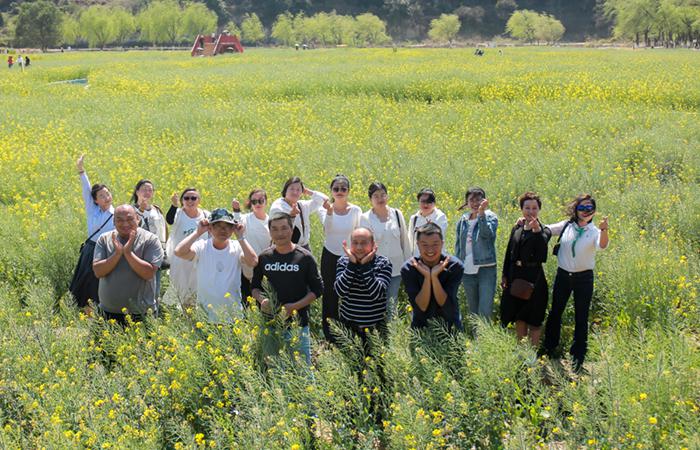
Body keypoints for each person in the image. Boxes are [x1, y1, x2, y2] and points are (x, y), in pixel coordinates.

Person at [542, 194, 610, 373]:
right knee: (555, 312)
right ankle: (549, 348)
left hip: (584, 278)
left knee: (582, 317)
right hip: (563, 275)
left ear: (594, 211)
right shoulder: (567, 225)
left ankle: (578, 357)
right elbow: (546, 229)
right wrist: (528, 222)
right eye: (582, 208)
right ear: (576, 210)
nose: (586, 211)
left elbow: (602, 246)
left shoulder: (594, 231)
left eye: (590, 208)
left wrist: (604, 230)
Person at [251, 213, 323, 366]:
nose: (280, 233)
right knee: (275, 368)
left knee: (303, 369)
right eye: (275, 229)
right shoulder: (264, 257)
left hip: (298, 325)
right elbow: (254, 287)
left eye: (284, 228)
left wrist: (294, 307)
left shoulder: (304, 257)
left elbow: (317, 290)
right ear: (270, 232)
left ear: (292, 230)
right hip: (270, 325)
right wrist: (262, 300)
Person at [175, 208, 258, 323]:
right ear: (210, 228)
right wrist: (197, 232)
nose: (223, 230)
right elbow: (179, 252)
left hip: (233, 317)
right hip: (205, 317)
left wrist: (241, 237)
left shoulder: (237, 247)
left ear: (233, 229)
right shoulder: (202, 246)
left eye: (227, 226)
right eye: (218, 226)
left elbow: (253, 261)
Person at [93, 205, 164, 325]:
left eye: (130, 219)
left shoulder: (150, 240)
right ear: (113, 221)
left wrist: (128, 253)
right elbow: (98, 271)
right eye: (119, 220)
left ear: (138, 219)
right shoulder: (104, 239)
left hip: (141, 313)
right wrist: (117, 254)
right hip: (107, 311)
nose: (125, 223)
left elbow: (149, 273)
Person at [500, 192, 552, 347]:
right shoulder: (517, 228)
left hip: (534, 279)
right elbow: (509, 253)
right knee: (519, 317)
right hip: (516, 276)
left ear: (539, 210)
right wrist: (505, 274)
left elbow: (542, 255)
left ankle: (532, 355)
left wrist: (536, 232)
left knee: (535, 319)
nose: (531, 211)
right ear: (522, 209)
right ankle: (522, 352)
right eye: (527, 208)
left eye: (534, 208)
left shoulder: (544, 231)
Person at [69, 154, 115, 314]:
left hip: (107, 251)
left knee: (101, 283)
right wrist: (81, 170)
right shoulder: (92, 211)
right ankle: (85, 313)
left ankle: (100, 313)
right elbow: (86, 189)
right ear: (95, 200)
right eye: (101, 196)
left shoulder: (117, 213)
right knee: (86, 283)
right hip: (90, 251)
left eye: (107, 193)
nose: (106, 197)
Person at [360, 182, 411, 320]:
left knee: (391, 303)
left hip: (396, 267)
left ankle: (392, 330)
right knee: (375, 303)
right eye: (376, 196)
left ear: (387, 196)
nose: (380, 198)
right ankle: (377, 328)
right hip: (376, 270)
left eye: (383, 195)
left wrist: (408, 266)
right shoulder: (365, 218)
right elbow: (364, 247)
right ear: (370, 199)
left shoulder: (397, 214)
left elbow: (405, 241)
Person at [320, 175, 362, 342]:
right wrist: (330, 212)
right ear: (331, 191)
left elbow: (358, 233)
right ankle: (330, 334)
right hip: (330, 255)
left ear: (348, 191)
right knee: (329, 294)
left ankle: (350, 332)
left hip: (350, 256)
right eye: (336, 189)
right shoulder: (325, 209)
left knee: (350, 293)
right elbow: (327, 229)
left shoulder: (356, 210)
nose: (339, 191)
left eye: (343, 188)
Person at [401, 223, 464, 330]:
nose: (430, 249)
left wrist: (434, 277)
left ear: (442, 244)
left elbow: (445, 303)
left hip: (450, 327)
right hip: (421, 329)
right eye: (425, 245)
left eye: (435, 244)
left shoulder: (455, 266)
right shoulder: (409, 268)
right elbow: (422, 306)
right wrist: (427, 277)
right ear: (417, 245)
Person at [334, 227, 392, 336]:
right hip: (349, 326)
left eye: (364, 243)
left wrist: (365, 266)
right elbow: (340, 291)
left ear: (373, 244)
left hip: (375, 329)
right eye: (355, 243)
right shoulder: (343, 262)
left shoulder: (383, 263)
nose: (359, 247)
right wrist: (351, 265)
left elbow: (377, 294)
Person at [455, 187, 498, 319]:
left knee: (485, 310)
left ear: (484, 201)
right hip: (467, 271)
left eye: (478, 200)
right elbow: (459, 246)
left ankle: (485, 333)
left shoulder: (490, 216)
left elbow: (487, 235)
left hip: (485, 269)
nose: (475, 203)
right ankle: (475, 333)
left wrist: (481, 214)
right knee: (473, 311)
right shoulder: (463, 220)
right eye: (471, 200)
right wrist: (457, 265)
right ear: (467, 202)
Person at [163, 187, 209, 308]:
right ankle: (180, 313)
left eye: (193, 198)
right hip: (180, 260)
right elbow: (169, 220)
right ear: (182, 200)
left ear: (199, 200)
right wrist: (174, 205)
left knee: (197, 290)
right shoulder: (178, 213)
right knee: (179, 289)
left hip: (199, 260)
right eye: (186, 198)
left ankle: (194, 314)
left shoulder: (206, 215)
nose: (190, 201)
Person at [131, 180, 167, 300]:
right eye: (144, 189)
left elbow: (163, 230)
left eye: (150, 190)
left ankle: (152, 309)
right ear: (137, 192)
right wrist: (140, 211)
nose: (147, 192)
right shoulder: (131, 210)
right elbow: (131, 229)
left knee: (155, 288)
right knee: (138, 287)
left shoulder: (156, 209)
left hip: (157, 252)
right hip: (139, 253)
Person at [232, 189, 271, 303]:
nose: (257, 204)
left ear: (266, 202)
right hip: (248, 266)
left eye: (261, 201)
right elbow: (237, 224)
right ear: (250, 203)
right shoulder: (245, 218)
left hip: (266, 266)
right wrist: (236, 210)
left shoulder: (271, 221)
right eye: (254, 201)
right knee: (247, 301)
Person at [269, 176, 328, 250]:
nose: (295, 192)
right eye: (292, 189)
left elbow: (324, 200)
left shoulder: (302, 205)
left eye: (298, 189)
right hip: (285, 248)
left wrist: (308, 192)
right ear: (285, 190)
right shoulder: (278, 207)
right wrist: (291, 216)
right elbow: (279, 229)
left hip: (304, 247)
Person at [407, 188, 448, 257]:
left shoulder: (440, 217)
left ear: (434, 203)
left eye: (429, 202)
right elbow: (410, 240)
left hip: (435, 257)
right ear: (418, 201)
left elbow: (438, 237)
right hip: (418, 257)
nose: (426, 204)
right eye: (423, 201)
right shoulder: (414, 218)